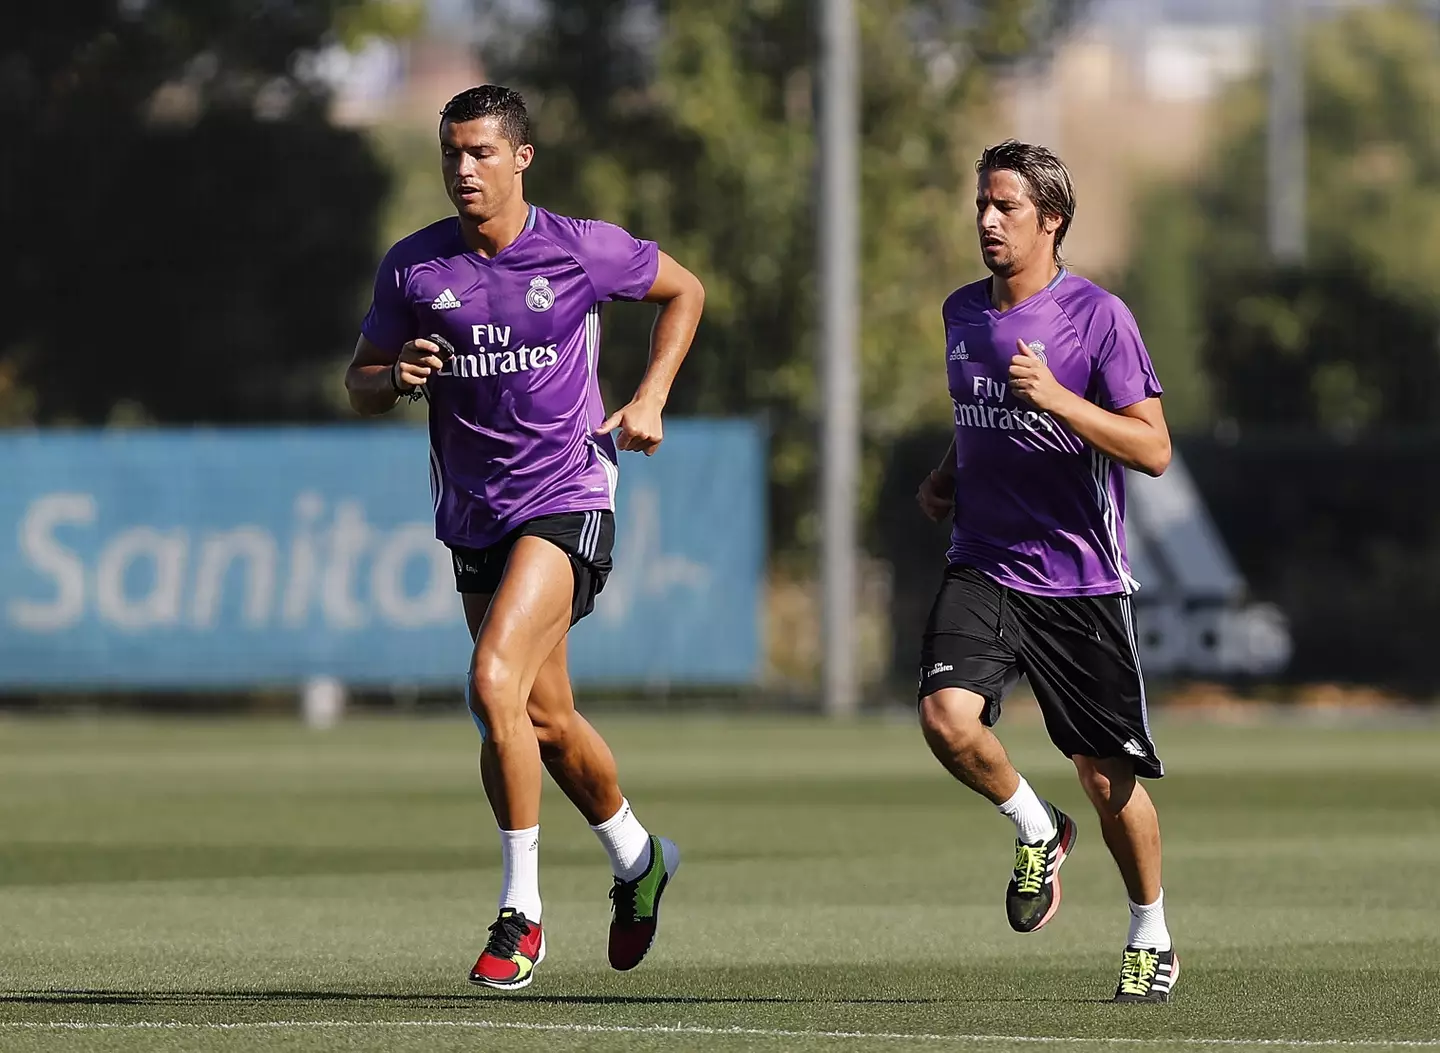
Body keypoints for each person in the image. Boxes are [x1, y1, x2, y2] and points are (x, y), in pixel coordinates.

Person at [344, 84, 704, 992]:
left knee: (490, 680)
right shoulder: (414, 267)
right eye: (452, 153)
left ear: (521, 158)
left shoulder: (579, 248)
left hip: (569, 492)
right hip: (475, 512)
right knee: (539, 717)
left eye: (480, 153)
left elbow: (684, 291)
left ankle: (521, 914)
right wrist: (396, 373)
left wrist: (654, 394)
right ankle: (637, 858)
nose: (463, 169)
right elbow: (358, 381)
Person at [913, 139, 1178, 1003]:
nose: (988, 220)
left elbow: (1154, 448)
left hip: (1079, 582)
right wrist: (949, 475)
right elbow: (979, 411)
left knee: (1109, 780)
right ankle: (1036, 826)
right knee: (947, 719)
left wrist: (1063, 399)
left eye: (1008, 207)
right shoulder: (961, 311)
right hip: (983, 562)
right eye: (982, 204)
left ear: (1051, 220)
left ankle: (1151, 932)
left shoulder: (1098, 316)